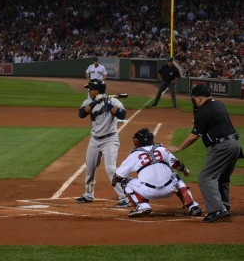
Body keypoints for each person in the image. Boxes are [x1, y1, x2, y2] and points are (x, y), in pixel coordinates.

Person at [169, 84, 242, 223]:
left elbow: (194, 135)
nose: (194, 102)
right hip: (234, 145)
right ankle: (224, 207)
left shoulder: (204, 110)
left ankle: (217, 209)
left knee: (205, 178)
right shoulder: (219, 104)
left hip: (222, 147)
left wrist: (179, 147)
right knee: (222, 178)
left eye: (195, 99)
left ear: (200, 98)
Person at [112, 128, 203, 218]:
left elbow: (119, 176)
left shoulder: (134, 155)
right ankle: (192, 206)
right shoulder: (162, 149)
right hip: (169, 189)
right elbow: (177, 164)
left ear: (137, 142)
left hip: (148, 192)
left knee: (125, 182)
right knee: (175, 176)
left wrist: (115, 179)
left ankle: (142, 206)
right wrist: (185, 170)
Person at [76, 79, 130, 208]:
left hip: (110, 140)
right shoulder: (88, 101)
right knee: (89, 168)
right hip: (94, 140)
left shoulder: (114, 101)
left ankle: (125, 197)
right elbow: (81, 114)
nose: (88, 91)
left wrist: (108, 103)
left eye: (90, 89)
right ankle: (88, 195)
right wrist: (96, 101)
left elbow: (122, 115)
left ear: (97, 90)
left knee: (110, 168)